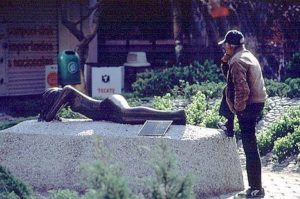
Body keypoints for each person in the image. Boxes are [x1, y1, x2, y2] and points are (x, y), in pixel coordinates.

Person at [218, 30, 267, 198]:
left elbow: (242, 90)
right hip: (257, 102)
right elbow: (231, 81)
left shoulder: (237, 62)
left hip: (249, 106)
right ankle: (228, 124)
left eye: (225, 45)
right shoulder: (245, 55)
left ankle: (256, 188)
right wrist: (225, 62)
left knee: (250, 148)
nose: (224, 47)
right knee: (226, 91)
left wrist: (238, 110)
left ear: (231, 46)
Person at [38, 85, 186, 125]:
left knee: (127, 115)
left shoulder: (67, 91)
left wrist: (44, 114)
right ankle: (175, 117)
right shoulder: (68, 101)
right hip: (106, 114)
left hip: (107, 104)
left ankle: (176, 115)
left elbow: (49, 116)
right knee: (127, 117)